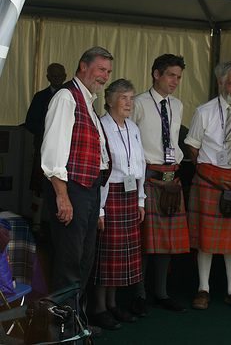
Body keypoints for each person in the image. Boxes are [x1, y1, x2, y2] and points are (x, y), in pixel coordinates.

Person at [185, 60, 231, 311]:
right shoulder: (203, 111)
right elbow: (193, 146)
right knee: (206, 238)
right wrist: (208, 172)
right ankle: (202, 289)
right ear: (220, 83)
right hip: (209, 180)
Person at [41, 47, 113, 298]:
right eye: (101, 69)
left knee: (83, 258)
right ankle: (62, 325)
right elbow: (53, 153)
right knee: (70, 260)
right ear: (84, 66)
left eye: (108, 71)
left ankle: (76, 320)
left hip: (89, 189)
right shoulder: (66, 97)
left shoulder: (87, 101)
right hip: (72, 189)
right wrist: (63, 197)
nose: (105, 76)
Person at [130, 53, 189, 316]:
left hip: (172, 179)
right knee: (144, 242)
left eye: (178, 76)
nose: (175, 81)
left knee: (165, 241)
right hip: (147, 178)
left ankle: (161, 294)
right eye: (171, 75)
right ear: (156, 74)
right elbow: (129, 142)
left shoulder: (177, 105)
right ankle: (139, 295)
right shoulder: (138, 104)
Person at [92, 79, 146, 331]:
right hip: (109, 195)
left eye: (132, 98)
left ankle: (113, 304)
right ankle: (99, 308)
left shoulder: (133, 127)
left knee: (119, 256)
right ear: (110, 101)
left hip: (128, 195)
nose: (129, 103)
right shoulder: (100, 127)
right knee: (107, 256)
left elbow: (140, 166)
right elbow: (101, 170)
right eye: (123, 98)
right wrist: (100, 209)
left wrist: (140, 199)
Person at [25, 63, 67, 237]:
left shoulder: (72, 95)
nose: (57, 78)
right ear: (48, 77)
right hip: (44, 148)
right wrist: (49, 135)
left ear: (65, 76)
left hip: (66, 152)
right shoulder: (40, 97)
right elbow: (30, 122)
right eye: (53, 75)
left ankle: (59, 226)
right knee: (40, 189)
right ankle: (36, 225)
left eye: (59, 75)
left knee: (64, 189)